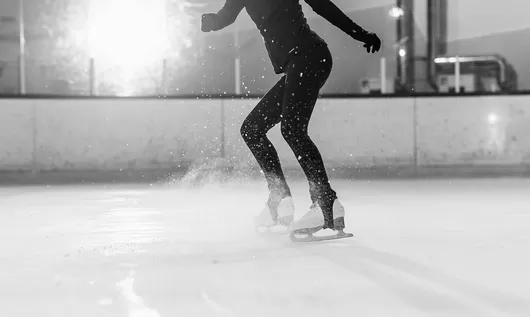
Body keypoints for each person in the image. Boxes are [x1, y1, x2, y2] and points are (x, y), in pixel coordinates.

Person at [201, 0, 381, 240]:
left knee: (293, 130)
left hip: (310, 57)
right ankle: (279, 198)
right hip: (298, 64)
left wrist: (361, 34)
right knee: (252, 129)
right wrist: (210, 22)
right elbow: (226, 16)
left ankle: (324, 203)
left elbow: (323, 6)